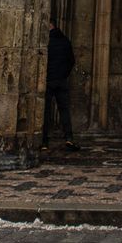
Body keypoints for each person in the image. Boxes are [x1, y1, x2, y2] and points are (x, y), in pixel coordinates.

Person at [42, 21, 80, 152]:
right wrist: (64, 74)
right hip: (61, 80)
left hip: (48, 80)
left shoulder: (45, 42)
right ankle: (69, 138)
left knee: (45, 111)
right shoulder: (65, 41)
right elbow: (71, 61)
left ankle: (44, 141)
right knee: (64, 110)